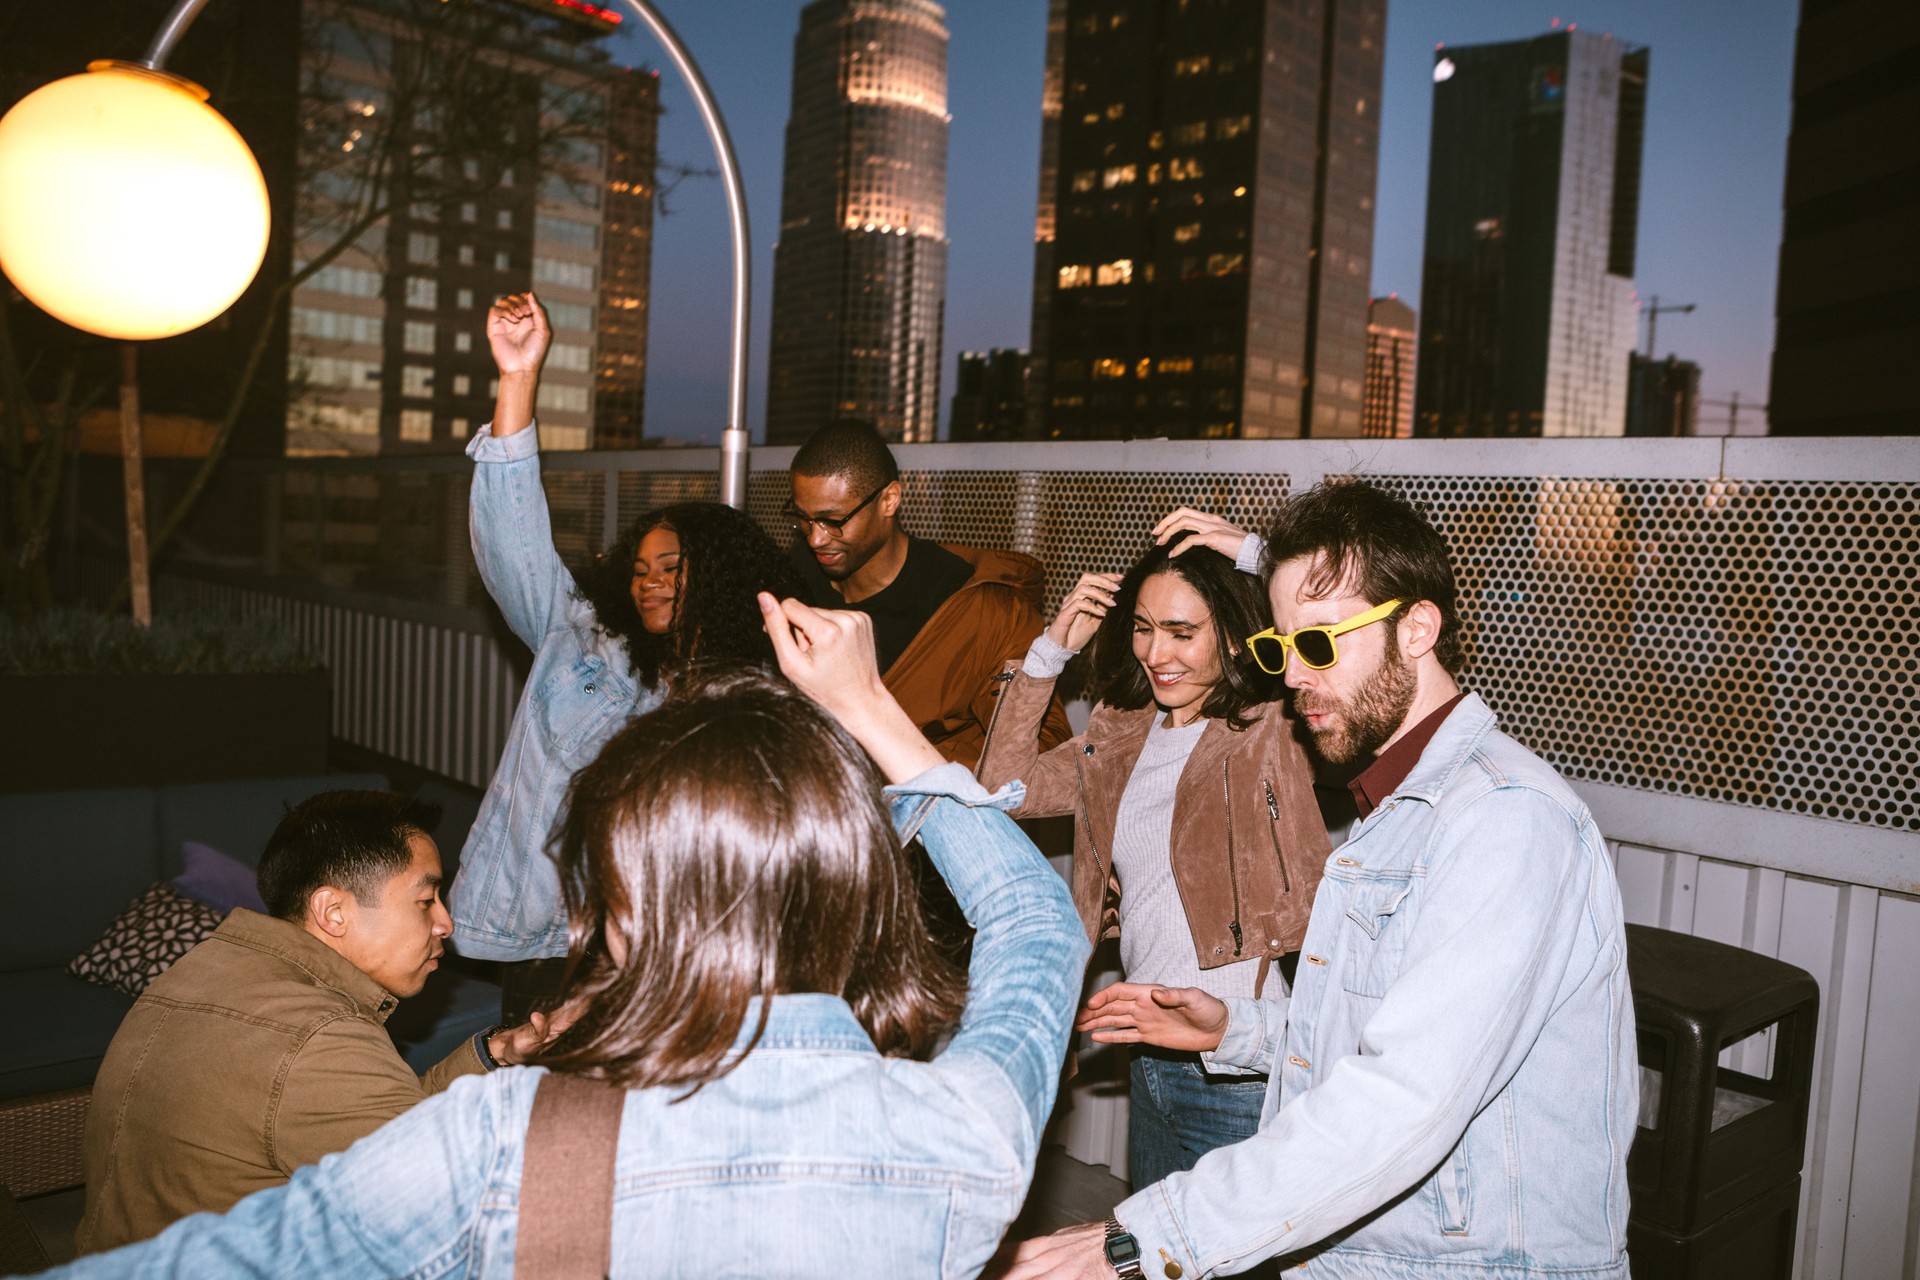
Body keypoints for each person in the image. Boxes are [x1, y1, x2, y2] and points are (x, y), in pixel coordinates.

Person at [48, 602, 1091, 1280]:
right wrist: (871, 709)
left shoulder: (498, 1140)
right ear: (858, 896)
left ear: (621, 918)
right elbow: (1036, 920)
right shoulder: (970, 1129)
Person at [1006, 481, 1636, 1280]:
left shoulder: (1505, 819)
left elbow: (1402, 1096)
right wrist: (1234, 1029)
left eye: (1321, 643)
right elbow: (1369, 1037)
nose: (1295, 675)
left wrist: (1142, 1238)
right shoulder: (1398, 811)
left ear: (1417, 628)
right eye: (1280, 649)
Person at [448, 292, 803, 1018]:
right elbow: (511, 533)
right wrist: (518, 377)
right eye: (640, 569)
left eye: (672, 567)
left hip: (669, 962)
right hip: (549, 942)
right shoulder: (580, 641)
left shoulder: (750, 696)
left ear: (721, 574)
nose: (651, 582)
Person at [976, 532, 1329, 1189]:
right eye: (1142, 629)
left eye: (1180, 631)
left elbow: (1355, 605)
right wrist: (1049, 653)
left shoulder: (1272, 730)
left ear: (1230, 634)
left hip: (1238, 1069)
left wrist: (1258, 556)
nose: (1155, 654)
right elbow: (1001, 785)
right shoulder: (1121, 736)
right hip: (1148, 1056)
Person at [75, 791, 563, 1255]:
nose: (445, 922)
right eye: (425, 900)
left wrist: (494, 1055)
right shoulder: (319, 1036)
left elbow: (370, 1121)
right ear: (333, 912)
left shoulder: (205, 968)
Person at [788, 421, 1070, 766]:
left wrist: (906, 768)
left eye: (833, 520)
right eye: (803, 518)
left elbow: (1043, 754)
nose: (815, 538)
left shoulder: (980, 608)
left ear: (889, 500)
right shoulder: (785, 586)